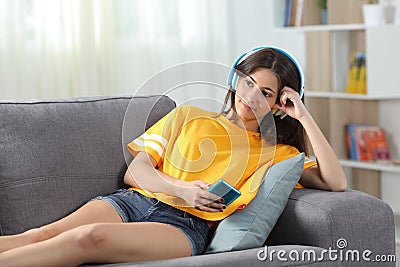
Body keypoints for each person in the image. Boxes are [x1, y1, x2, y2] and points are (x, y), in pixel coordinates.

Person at [0, 46, 347, 266]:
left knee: (88, 237)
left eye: (267, 93)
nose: (252, 96)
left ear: (279, 105)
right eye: (248, 83)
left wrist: (303, 114)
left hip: (183, 226)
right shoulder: (189, 115)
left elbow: (335, 181)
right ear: (234, 81)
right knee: (41, 235)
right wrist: (183, 189)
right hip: (132, 201)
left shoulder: (278, 153)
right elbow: (136, 172)